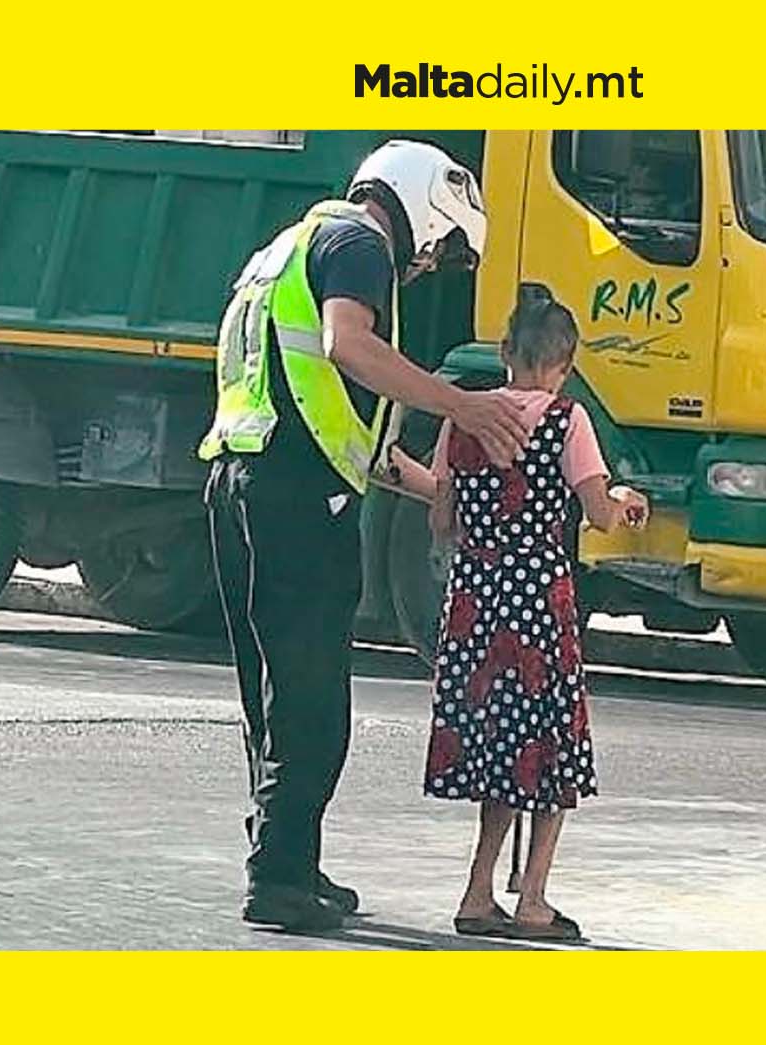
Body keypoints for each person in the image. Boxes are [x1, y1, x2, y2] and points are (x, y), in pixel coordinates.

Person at [198, 140, 531, 932]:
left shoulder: (288, 248)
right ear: (422, 206)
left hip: (243, 479)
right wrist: (462, 404)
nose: (429, 266)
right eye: (442, 246)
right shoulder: (359, 244)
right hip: (292, 498)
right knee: (312, 695)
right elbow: (351, 345)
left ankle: (289, 856)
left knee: (274, 690)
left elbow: (341, 422)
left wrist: (438, 488)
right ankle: (278, 879)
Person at [413, 284, 648, 942]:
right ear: (564, 363)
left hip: (474, 600)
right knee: (550, 751)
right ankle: (535, 898)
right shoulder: (566, 419)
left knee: (495, 747)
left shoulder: (463, 416)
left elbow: (441, 518)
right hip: (540, 599)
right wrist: (625, 498)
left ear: (504, 351)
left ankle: (478, 889)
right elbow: (599, 513)